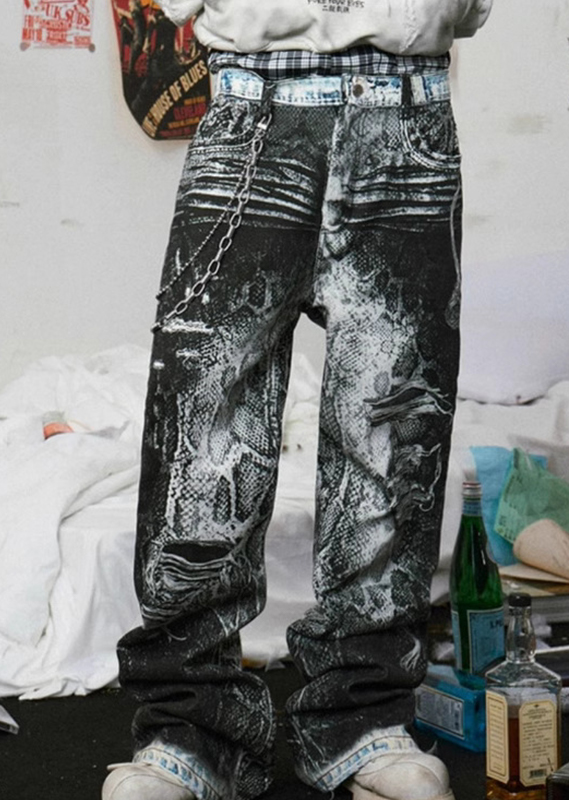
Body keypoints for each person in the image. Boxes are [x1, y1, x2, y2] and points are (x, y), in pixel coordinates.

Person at [103, 2, 493, 799]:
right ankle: (191, 729)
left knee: (392, 430)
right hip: (250, 110)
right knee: (205, 431)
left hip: (407, 113)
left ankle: (362, 721)